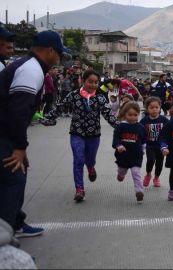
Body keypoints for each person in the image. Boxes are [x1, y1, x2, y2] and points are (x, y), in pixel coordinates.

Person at [1, 30, 69, 238]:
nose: (59, 59)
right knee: (12, 181)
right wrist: (20, 147)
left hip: (7, 133)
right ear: (50, 51)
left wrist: (20, 145)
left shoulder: (29, 66)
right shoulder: (32, 70)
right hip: (3, 133)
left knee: (16, 177)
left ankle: (15, 222)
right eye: (59, 54)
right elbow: (18, 112)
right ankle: (6, 238)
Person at [43, 70, 118, 202]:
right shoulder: (73, 95)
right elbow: (60, 107)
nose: (93, 85)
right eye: (90, 82)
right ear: (83, 81)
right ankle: (80, 189)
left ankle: (90, 167)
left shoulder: (100, 98)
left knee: (90, 160)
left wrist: (121, 127)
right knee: (78, 159)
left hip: (94, 134)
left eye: (96, 82)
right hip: (77, 133)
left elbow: (108, 115)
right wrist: (48, 118)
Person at [113, 102, 147, 202]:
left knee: (136, 172)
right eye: (130, 115)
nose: (132, 117)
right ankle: (121, 174)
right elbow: (116, 138)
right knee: (122, 170)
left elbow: (144, 140)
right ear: (124, 114)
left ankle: (139, 191)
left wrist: (143, 149)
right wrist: (119, 145)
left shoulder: (141, 127)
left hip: (136, 155)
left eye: (135, 115)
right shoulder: (120, 126)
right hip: (123, 155)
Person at [140, 97, 169, 188]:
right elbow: (139, 132)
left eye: (156, 107)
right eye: (151, 108)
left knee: (159, 163)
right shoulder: (144, 120)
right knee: (151, 160)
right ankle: (148, 174)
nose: (154, 109)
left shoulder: (164, 120)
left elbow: (170, 130)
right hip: (150, 145)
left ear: (160, 108)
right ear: (147, 109)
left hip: (161, 146)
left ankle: (156, 178)